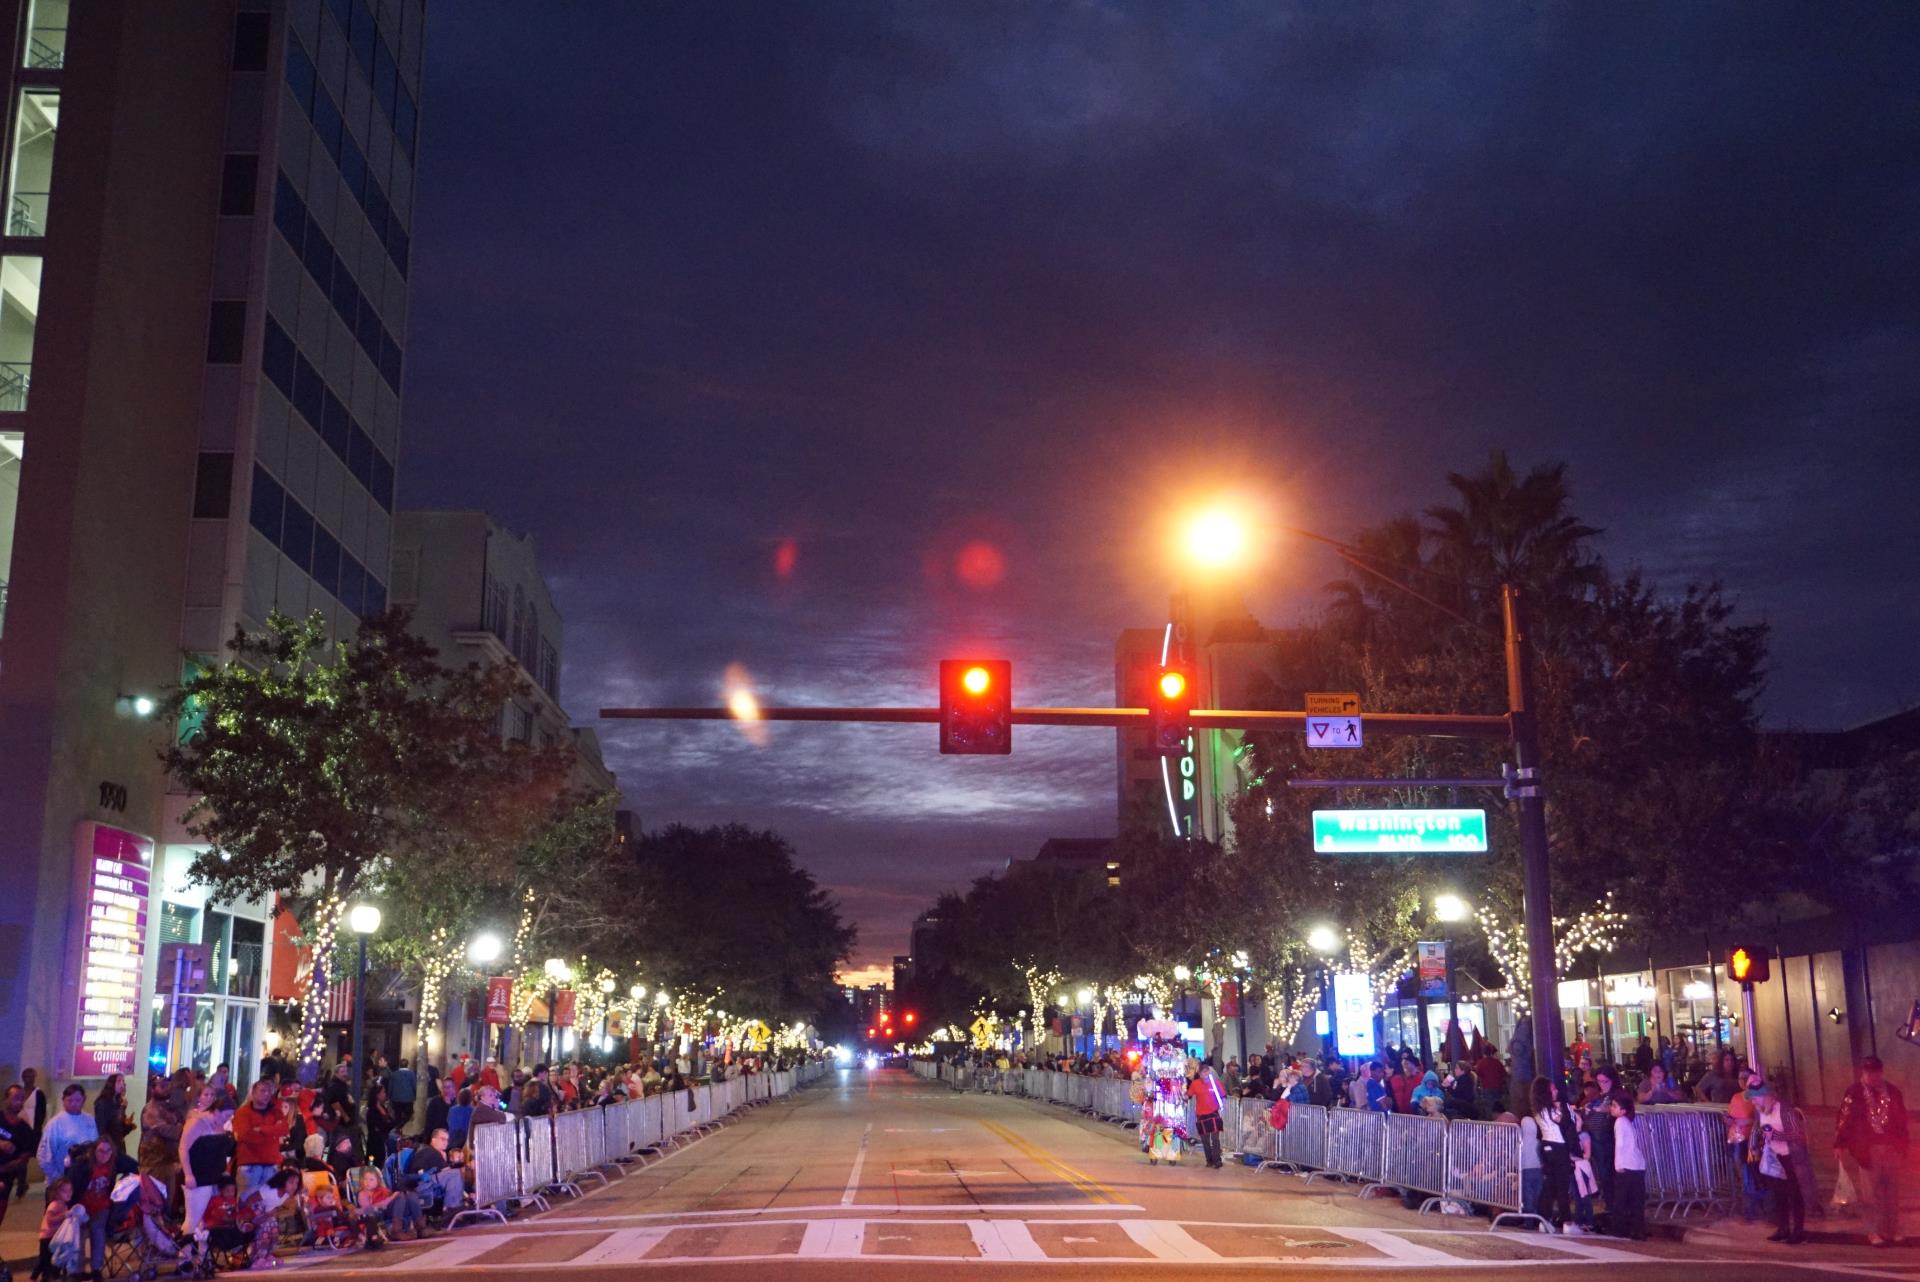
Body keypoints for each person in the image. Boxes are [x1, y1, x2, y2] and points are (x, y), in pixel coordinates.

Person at [1836, 1055, 1908, 1248]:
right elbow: (1845, 1118)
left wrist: (1903, 1146)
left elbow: (1902, 1120)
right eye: (1869, 1073)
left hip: (1891, 1147)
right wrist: (1839, 1143)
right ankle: (1873, 1230)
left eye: (1876, 1072)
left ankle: (1892, 1228)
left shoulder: (1892, 1091)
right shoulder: (1855, 1092)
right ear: (1863, 1073)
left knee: (1892, 1191)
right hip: (1867, 1150)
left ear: (1881, 1072)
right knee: (1871, 1193)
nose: (1872, 1077)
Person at [1744, 1077, 1806, 1244]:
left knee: (1794, 1194)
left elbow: (1797, 1134)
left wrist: (1776, 1136)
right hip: (1774, 1157)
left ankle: (1798, 1230)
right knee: (1779, 1193)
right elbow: (1760, 1130)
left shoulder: (1784, 1109)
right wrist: (1758, 1145)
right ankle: (1783, 1228)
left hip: (1790, 1157)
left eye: (1755, 1096)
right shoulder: (1761, 1111)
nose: (1753, 1100)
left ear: (1765, 1095)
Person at [66, 1136, 135, 1282]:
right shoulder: (82, 1165)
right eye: (100, 1151)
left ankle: (96, 1269)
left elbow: (134, 1166)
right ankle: (76, 1271)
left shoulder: (114, 1162)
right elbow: (71, 1186)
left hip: (101, 1206)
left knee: (98, 1230)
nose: (104, 1155)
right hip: (81, 1205)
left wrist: (124, 1180)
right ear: (94, 1151)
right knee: (78, 1233)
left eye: (108, 1151)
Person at [1531, 1076, 1578, 1233]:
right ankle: (1568, 1222)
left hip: (1547, 1147)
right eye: (1553, 1089)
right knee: (1562, 1186)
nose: (1556, 1090)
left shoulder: (1539, 1111)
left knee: (1550, 1186)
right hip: (1559, 1148)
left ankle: (1544, 1220)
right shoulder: (1554, 1110)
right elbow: (1568, 1125)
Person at [233, 1079, 291, 1200]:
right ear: (253, 1093)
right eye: (262, 1091)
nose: (266, 1094)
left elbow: (284, 1129)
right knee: (246, 1201)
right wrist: (273, 1132)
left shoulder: (276, 1111)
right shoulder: (242, 1112)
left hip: (271, 1163)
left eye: (269, 1091)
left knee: (267, 1202)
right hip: (250, 1164)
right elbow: (245, 1136)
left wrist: (261, 1129)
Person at [237, 1167, 300, 1269]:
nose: (295, 1186)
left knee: (274, 1226)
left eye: (296, 1183)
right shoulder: (269, 1191)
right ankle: (258, 1258)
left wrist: (268, 1215)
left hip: (260, 1208)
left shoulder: (285, 1195)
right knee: (265, 1227)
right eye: (291, 1182)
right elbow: (250, 1200)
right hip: (248, 1207)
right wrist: (247, 1219)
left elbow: (270, 1209)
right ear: (282, 1181)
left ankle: (267, 1255)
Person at [36, 1085, 99, 1185]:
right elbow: (44, 1155)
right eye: (70, 1100)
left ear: (84, 1099)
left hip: (85, 1177)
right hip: (60, 1179)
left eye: (78, 1100)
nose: (74, 1104)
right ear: (63, 1100)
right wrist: (57, 1178)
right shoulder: (55, 1123)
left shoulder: (90, 1120)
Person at [1608, 1090, 1647, 1239]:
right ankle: (1638, 1229)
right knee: (1637, 1200)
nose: (1611, 1108)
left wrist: (1618, 1164)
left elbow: (1620, 1145)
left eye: (1614, 1106)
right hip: (1637, 1165)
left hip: (1626, 1165)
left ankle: (1619, 1228)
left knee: (1621, 1199)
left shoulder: (1619, 1122)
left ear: (1622, 1110)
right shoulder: (1628, 1122)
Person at [408, 1129, 466, 1218]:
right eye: (443, 1139)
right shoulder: (429, 1151)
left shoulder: (435, 1153)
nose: (446, 1142)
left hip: (428, 1185)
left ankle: (458, 1206)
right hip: (420, 1186)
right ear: (433, 1140)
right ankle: (450, 1210)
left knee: (456, 1175)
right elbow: (446, 1172)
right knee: (455, 1174)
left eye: (447, 1140)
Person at [1188, 1058, 1226, 1169]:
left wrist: (1223, 1105)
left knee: (1215, 1139)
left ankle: (1217, 1160)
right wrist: (1183, 1095)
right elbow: (1189, 1095)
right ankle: (1209, 1160)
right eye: (1203, 1072)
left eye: (1207, 1071)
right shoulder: (1195, 1084)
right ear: (1199, 1074)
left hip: (1213, 1113)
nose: (1205, 1074)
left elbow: (1223, 1095)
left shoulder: (1215, 1083)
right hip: (1201, 1115)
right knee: (1205, 1140)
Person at [30, 1179, 71, 1282]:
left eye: (70, 1190)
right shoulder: (54, 1205)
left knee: (54, 1259)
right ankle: (34, 1277)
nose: (68, 1193)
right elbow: (50, 1220)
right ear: (56, 1193)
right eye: (64, 1191)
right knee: (45, 1259)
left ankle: (52, 1277)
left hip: (56, 1237)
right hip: (47, 1236)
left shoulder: (65, 1205)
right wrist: (63, 1216)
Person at [91, 1076, 133, 1158]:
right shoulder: (103, 1102)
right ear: (111, 1084)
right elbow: (102, 1127)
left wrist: (127, 1126)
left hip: (119, 1144)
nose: (122, 1084)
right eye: (119, 1081)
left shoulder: (118, 1102)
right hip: (108, 1146)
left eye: (123, 1081)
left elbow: (119, 1129)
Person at [388, 1060, 417, 1134]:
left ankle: (398, 1128)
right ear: (408, 1065)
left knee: (397, 1115)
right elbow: (414, 1086)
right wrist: (415, 1095)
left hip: (396, 1098)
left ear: (399, 1065)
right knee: (409, 1113)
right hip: (408, 1099)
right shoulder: (411, 1074)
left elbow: (390, 1087)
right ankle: (400, 1127)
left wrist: (390, 1097)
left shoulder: (394, 1074)